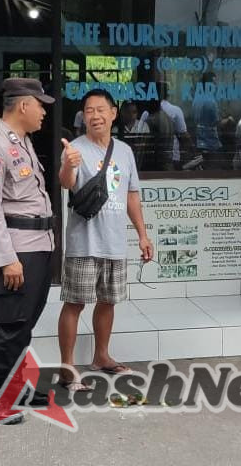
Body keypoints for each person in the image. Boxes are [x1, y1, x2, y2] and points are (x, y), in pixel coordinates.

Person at [0, 77, 56, 425]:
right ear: (23, 105)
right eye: (40, 106)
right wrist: (7, 259)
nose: (44, 113)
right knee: (12, 325)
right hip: (18, 253)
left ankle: (16, 387)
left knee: (24, 325)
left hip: (39, 246)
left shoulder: (22, 142)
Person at [57, 88, 153, 389]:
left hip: (114, 242)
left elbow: (132, 196)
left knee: (108, 301)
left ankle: (101, 356)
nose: (95, 116)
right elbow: (66, 184)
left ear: (113, 113)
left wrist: (142, 234)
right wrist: (68, 164)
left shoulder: (124, 151)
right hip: (83, 242)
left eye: (100, 110)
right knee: (74, 303)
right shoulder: (75, 149)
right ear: (83, 116)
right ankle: (67, 368)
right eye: (89, 111)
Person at [139, 82, 194, 169]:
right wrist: (193, 151)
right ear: (168, 94)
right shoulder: (175, 111)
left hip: (153, 161)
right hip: (172, 158)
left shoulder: (147, 114)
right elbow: (184, 136)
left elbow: (140, 137)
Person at [192, 72, 222, 169]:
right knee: (212, 169)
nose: (215, 85)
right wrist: (228, 120)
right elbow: (216, 121)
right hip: (210, 141)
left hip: (199, 139)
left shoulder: (196, 99)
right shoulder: (211, 101)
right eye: (214, 82)